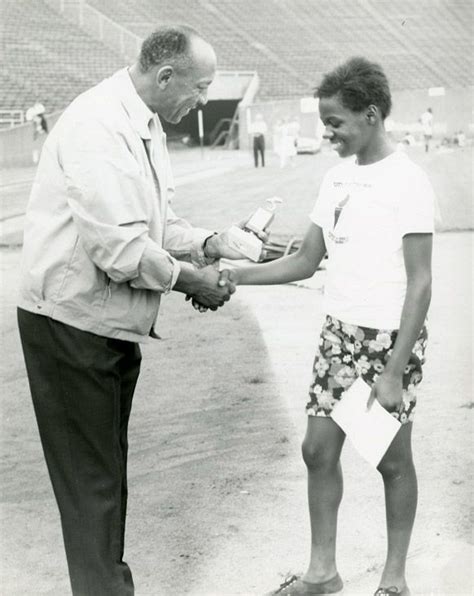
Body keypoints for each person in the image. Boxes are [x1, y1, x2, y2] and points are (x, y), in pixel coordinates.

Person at [17, 25, 262, 596]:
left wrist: (214, 242)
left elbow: (156, 224)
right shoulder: (97, 125)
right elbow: (118, 248)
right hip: (69, 326)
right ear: (165, 75)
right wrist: (193, 283)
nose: (202, 100)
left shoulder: (143, 122)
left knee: (103, 476)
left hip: (101, 322)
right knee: (91, 482)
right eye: (198, 89)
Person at [221, 57, 435, 596]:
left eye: (336, 122)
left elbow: (421, 284)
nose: (328, 132)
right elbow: (305, 259)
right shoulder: (336, 177)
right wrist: (234, 274)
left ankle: (394, 578)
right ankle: (323, 575)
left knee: (391, 462)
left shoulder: (407, 181)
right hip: (338, 336)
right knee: (317, 451)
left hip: (388, 341)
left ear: (370, 114)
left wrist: (391, 372)